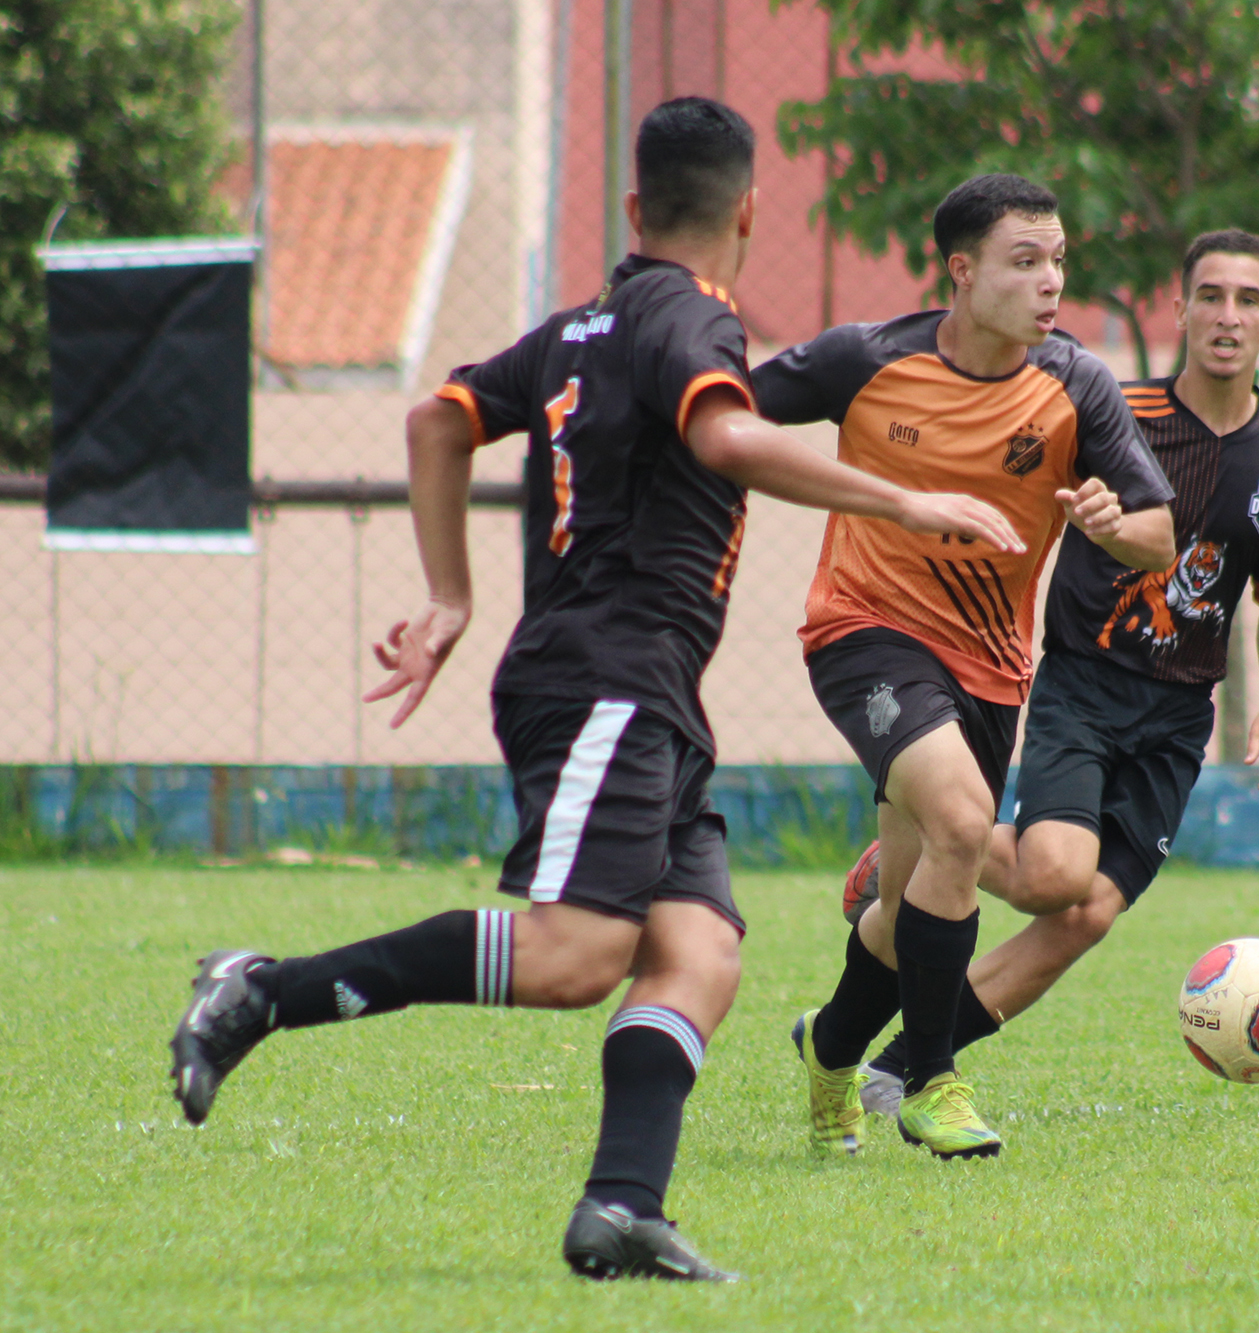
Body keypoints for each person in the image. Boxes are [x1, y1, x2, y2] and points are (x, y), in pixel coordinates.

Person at [166, 97, 1022, 1281]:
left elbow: (436, 420)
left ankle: (621, 1207)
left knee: (698, 951)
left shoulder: (579, 325)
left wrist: (451, 595)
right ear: (750, 212)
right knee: (575, 958)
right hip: (606, 678)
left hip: (643, 690)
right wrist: (905, 498)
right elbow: (725, 440)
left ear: (633, 209)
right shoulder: (691, 320)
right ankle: (263, 992)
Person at [843, 229, 1259, 1115]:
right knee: (1057, 874)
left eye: (1247, 300)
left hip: (1181, 714)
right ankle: (919, 844)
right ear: (1177, 310)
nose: (1227, 316)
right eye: (1209, 296)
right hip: (1084, 682)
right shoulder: (1107, 407)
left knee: (1088, 912)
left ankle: (902, 1062)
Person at [750, 174, 1175, 1160]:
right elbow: (722, 409)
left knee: (904, 920)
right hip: (863, 632)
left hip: (988, 671)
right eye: (1023, 262)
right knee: (960, 820)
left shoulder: (1075, 384)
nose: (1049, 282)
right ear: (961, 271)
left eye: (1058, 260)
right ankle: (930, 1078)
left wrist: (1118, 526)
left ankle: (831, 1044)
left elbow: (1159, 533)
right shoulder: (865, 359)